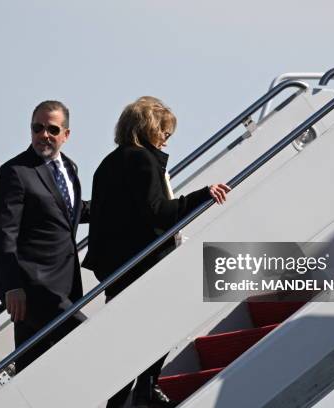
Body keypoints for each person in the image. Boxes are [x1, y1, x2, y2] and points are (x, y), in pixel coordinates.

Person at [82, 96, 230, 407]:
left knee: (129, 339)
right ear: (147, 128)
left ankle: (129, 395)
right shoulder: (141, 160)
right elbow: (158, 212)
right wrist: (202, 196)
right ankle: (145, 389)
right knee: (162, 324)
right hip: (141, 263)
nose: (165, 139)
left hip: (116, 265)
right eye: (163, 132)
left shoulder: (109, 163)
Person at [0, 100, 90, 373]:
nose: (44, 134)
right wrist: (11, 286)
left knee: (33, 365)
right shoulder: (15, 172)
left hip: (65, 284)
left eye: (52, 129)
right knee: (88, 341)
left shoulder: (70, 169)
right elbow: (3, 234)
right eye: (38, 128)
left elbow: (70, 210)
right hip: (32, 289)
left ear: (66, 135)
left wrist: (119, 207)